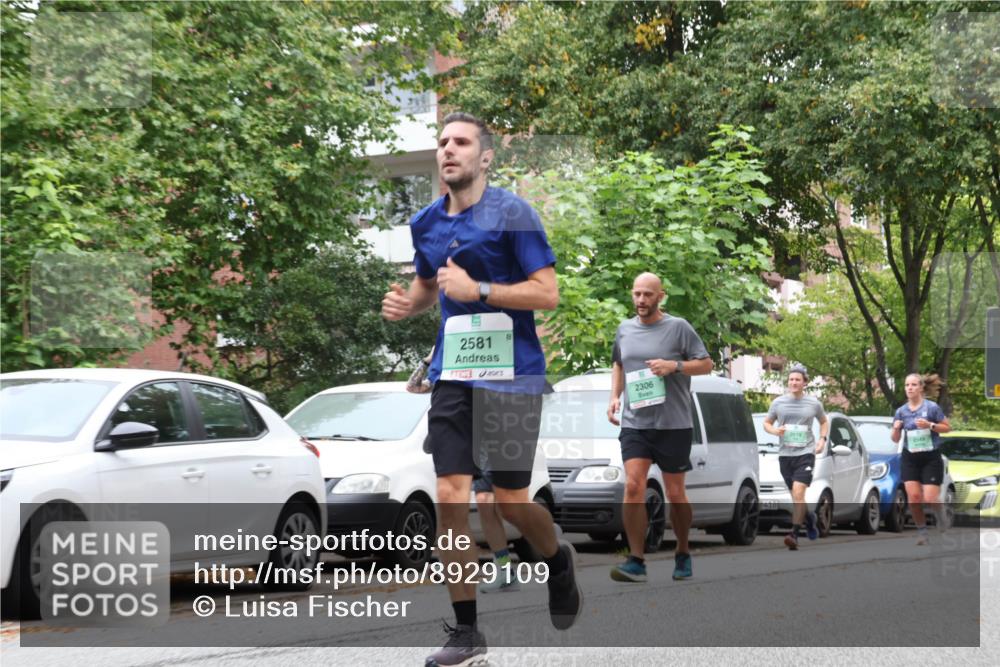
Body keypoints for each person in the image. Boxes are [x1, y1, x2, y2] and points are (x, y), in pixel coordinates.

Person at [382, 112, 581, 667]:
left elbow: (546, 295)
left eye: (461, 142)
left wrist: (481, 288)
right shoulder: (426, 222)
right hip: (453, 374)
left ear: (484, 157)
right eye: (442, 142)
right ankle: (467, 633)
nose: (448, 150)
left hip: (512, 374)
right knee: (450, 497)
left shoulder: (514, 213)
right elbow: (428, 286)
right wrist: (409, 305)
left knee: (514, 504)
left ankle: (556, 558)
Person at [606, 272, 713, 583]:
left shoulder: (678, 328)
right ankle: (636, 559)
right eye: (637, 294)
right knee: (633, 486)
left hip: (673, 424)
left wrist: (674, 366)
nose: (641, 300)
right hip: (635, 422)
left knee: (675, 493)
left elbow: (706, 363)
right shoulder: (624, 329)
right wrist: (614, 396)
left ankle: (682, 550)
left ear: (661, 296)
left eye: (648, 295)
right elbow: (619, 363)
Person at [762, 364, 829, 550]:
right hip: (785, 455)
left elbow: (824, 421)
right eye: (791, 379)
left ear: (804, 382)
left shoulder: (814, 403)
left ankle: (794, 534)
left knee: (799, 492)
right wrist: (775, 431)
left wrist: (822, 439)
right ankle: (810, 518)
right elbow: (766, 423)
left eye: (798, 379)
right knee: (796, 497)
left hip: (805, 453)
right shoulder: (778, 402)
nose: (794, 382)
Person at [890, 373, 952, 545]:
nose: (909, 388)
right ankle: (922, 532)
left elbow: (947, 428)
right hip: (910, 457)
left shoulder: (932, 408)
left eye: (913, 385)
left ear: (921, 387)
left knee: (931, 498)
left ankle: (941, 516)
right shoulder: (901, 411)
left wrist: (930, 425)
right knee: (914, 498)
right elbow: (895, 439)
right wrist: (896, 429)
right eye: (907, 385)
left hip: (930, 457)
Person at [474, 471, 520, 593]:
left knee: (507, 509)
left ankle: (554, 551)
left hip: (502, 455)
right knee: (485, 503)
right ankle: (505, 570)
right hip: (481, 457)